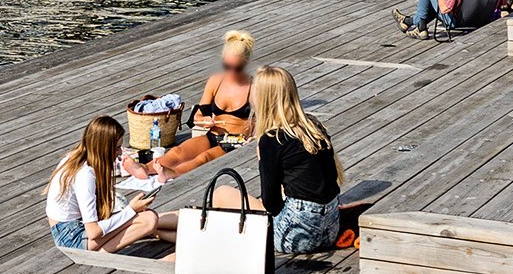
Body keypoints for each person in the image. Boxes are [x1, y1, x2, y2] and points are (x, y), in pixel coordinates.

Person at [207, 66, 342, 254]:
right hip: (330, 230)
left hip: (294, 236)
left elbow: (271, 203)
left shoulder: (272, 139)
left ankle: (160, 226)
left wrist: (263, 162)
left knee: (221, 195)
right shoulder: (312, 126)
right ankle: (158, 225)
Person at [123, 30, 255, 180]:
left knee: (204, 157)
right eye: (227, 66)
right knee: (178, 151)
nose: (231, 72)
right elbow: (196, 116)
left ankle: (172, 173)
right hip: (214, 135)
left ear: (245, 63)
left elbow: (268, 120)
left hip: (237, 141)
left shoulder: (254, 87)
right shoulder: (216, 81)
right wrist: (203, 120)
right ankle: (145, 168)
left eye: (236, 68)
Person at [47, 116, 177, 253]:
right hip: (71, 238)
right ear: (102, 148)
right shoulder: (85, 175)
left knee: (148, 217)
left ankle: (168, 228)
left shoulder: (76, 157)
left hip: (73, 226)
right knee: (149, 220)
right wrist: (131, 210)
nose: (120, 153)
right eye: (117, 148)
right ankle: (98, 255)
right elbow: (93, 232)